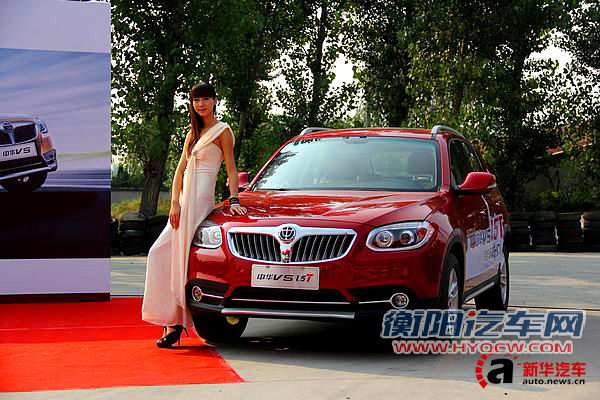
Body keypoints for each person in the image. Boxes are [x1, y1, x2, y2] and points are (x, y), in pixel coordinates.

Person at [141, 81, 247, 348]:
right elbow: (179, 171)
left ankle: (176, 323)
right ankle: (172, 319)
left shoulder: (223, 131)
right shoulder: (193, 133)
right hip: (184, 202)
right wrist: (174, 203)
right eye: (196, 100)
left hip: (200, 201)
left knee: (184, 257)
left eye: (205, 99)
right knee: (160, 253)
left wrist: (234, 199)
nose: (200, 104)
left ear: (214, 101)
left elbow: (231, 169)